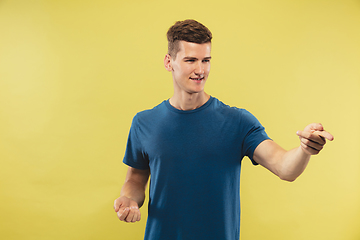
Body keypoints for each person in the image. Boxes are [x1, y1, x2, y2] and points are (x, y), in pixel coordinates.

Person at [113, 19, 334, 240]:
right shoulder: (144, 122)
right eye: (191, 60)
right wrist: (129, 199)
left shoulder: (238, 121)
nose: (200, 70)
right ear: (169, 62)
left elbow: (285, 168)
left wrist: (305, 150)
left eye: (206, 60)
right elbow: (135, 178)